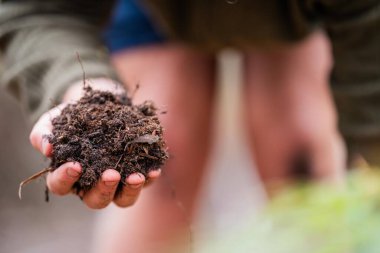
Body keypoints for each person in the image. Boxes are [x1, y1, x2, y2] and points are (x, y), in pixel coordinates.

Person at [1, 0, 379, 252]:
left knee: (300, 158)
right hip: (155, 8)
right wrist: (87, 90)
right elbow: (37, 8)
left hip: (292, 11)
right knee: (161, 172)